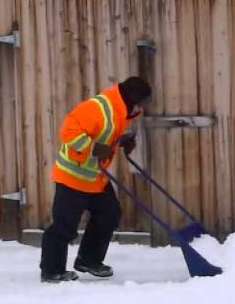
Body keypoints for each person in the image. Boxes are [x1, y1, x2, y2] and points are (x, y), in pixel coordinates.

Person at [39, 77, 152, 283]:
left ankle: (88, 260)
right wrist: (96, 150)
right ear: (132, 96)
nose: (142, 107)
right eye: (141, 101)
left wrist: (123, 143)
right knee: (65, 226)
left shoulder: (123, 111)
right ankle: (51, 270)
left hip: (95, 178)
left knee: (109, 214)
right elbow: (69, 132)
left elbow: (106, 135)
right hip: (73, 176)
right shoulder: (97, 108)